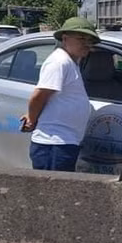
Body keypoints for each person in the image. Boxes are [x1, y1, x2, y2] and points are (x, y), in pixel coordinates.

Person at [20, 17, 99, 172]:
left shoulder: (71, 62)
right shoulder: (59, 62)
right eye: (81, 38)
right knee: (51, 193)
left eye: (89, 40)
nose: (86, 44)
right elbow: (39, 95)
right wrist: (32, 119)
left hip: (63, 142)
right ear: (65, 38)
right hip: (54, 144)